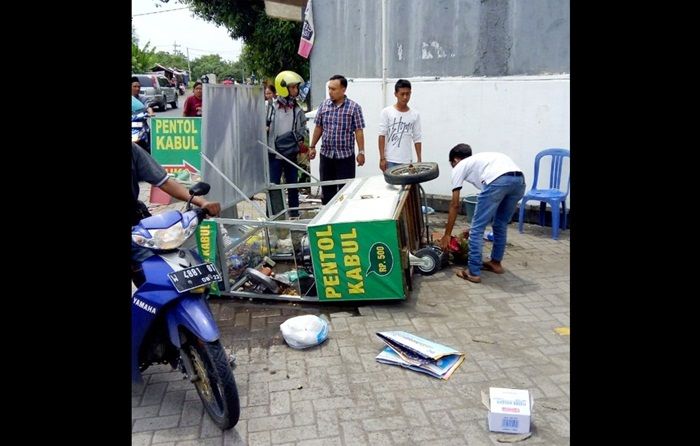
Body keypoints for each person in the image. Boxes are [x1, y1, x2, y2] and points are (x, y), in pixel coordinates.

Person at [131, 142, 220, 280]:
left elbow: (164, 182)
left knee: (158, 280)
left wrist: (202, 202)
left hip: (136, 229)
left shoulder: (133, 150)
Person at [440, 143, 525, 283]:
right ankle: (496, 264)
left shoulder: (459, 166)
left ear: (455, 160)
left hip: (498, 180)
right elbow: (492, 203)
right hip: (519, 181)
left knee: (477, 229)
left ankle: (473, 272)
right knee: (500, 224)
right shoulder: (482, 162)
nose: (453, 168)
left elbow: (454, 204)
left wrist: (447, 235)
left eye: (452, 164)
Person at [308, 74, 366, 204]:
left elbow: (359, 131)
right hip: (326, 156)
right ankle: (328, 219)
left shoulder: (354, 108)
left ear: (343, 90)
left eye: (333, 89)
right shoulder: (324, 106)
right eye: (329, 88)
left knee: (345, 191)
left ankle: (342, 220)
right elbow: (318, 127)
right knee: (327, 191)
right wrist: (312, 146)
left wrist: (361, 152)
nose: (330, 92)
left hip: (345, 157)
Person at [266, 71, 308, 217]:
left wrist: (300, 139)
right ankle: (273, 217)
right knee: (273, 186)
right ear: (283, 87)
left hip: (290, 153)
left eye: (296, 88)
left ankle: (294, 215)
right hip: (273, 154)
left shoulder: (297, 109)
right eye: (293, 88)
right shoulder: (270, 107)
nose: (296, 91)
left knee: (293, 185)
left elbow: (303, 128)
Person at [378, 79, 422, 171]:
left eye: (408, 94)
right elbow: (382, 135)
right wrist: (382, 158)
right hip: (390, 160)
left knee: (407, 185)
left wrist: (419, 159)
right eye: (402, 94)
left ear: (411, 93)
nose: (405, 97)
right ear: (396, 94)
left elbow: (417, 138)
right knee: (391, 185)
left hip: (407, 160)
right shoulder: (387, 112)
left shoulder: (415, 114)